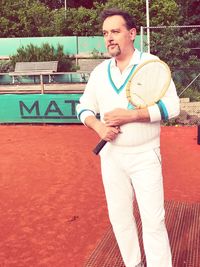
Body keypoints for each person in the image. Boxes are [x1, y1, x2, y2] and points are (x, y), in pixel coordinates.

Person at [76, 8, 180, 267]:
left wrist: (131, 116)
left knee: (153, 219)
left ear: (132, 34)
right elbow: (83, 107)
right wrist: (98, 127)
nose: (109, 38)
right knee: (120, 218)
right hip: (111, 157)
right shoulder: (100, 72)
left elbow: (173, 107)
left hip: (145, 155)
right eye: (105, 33)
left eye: (115, 31)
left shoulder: (151, 65)